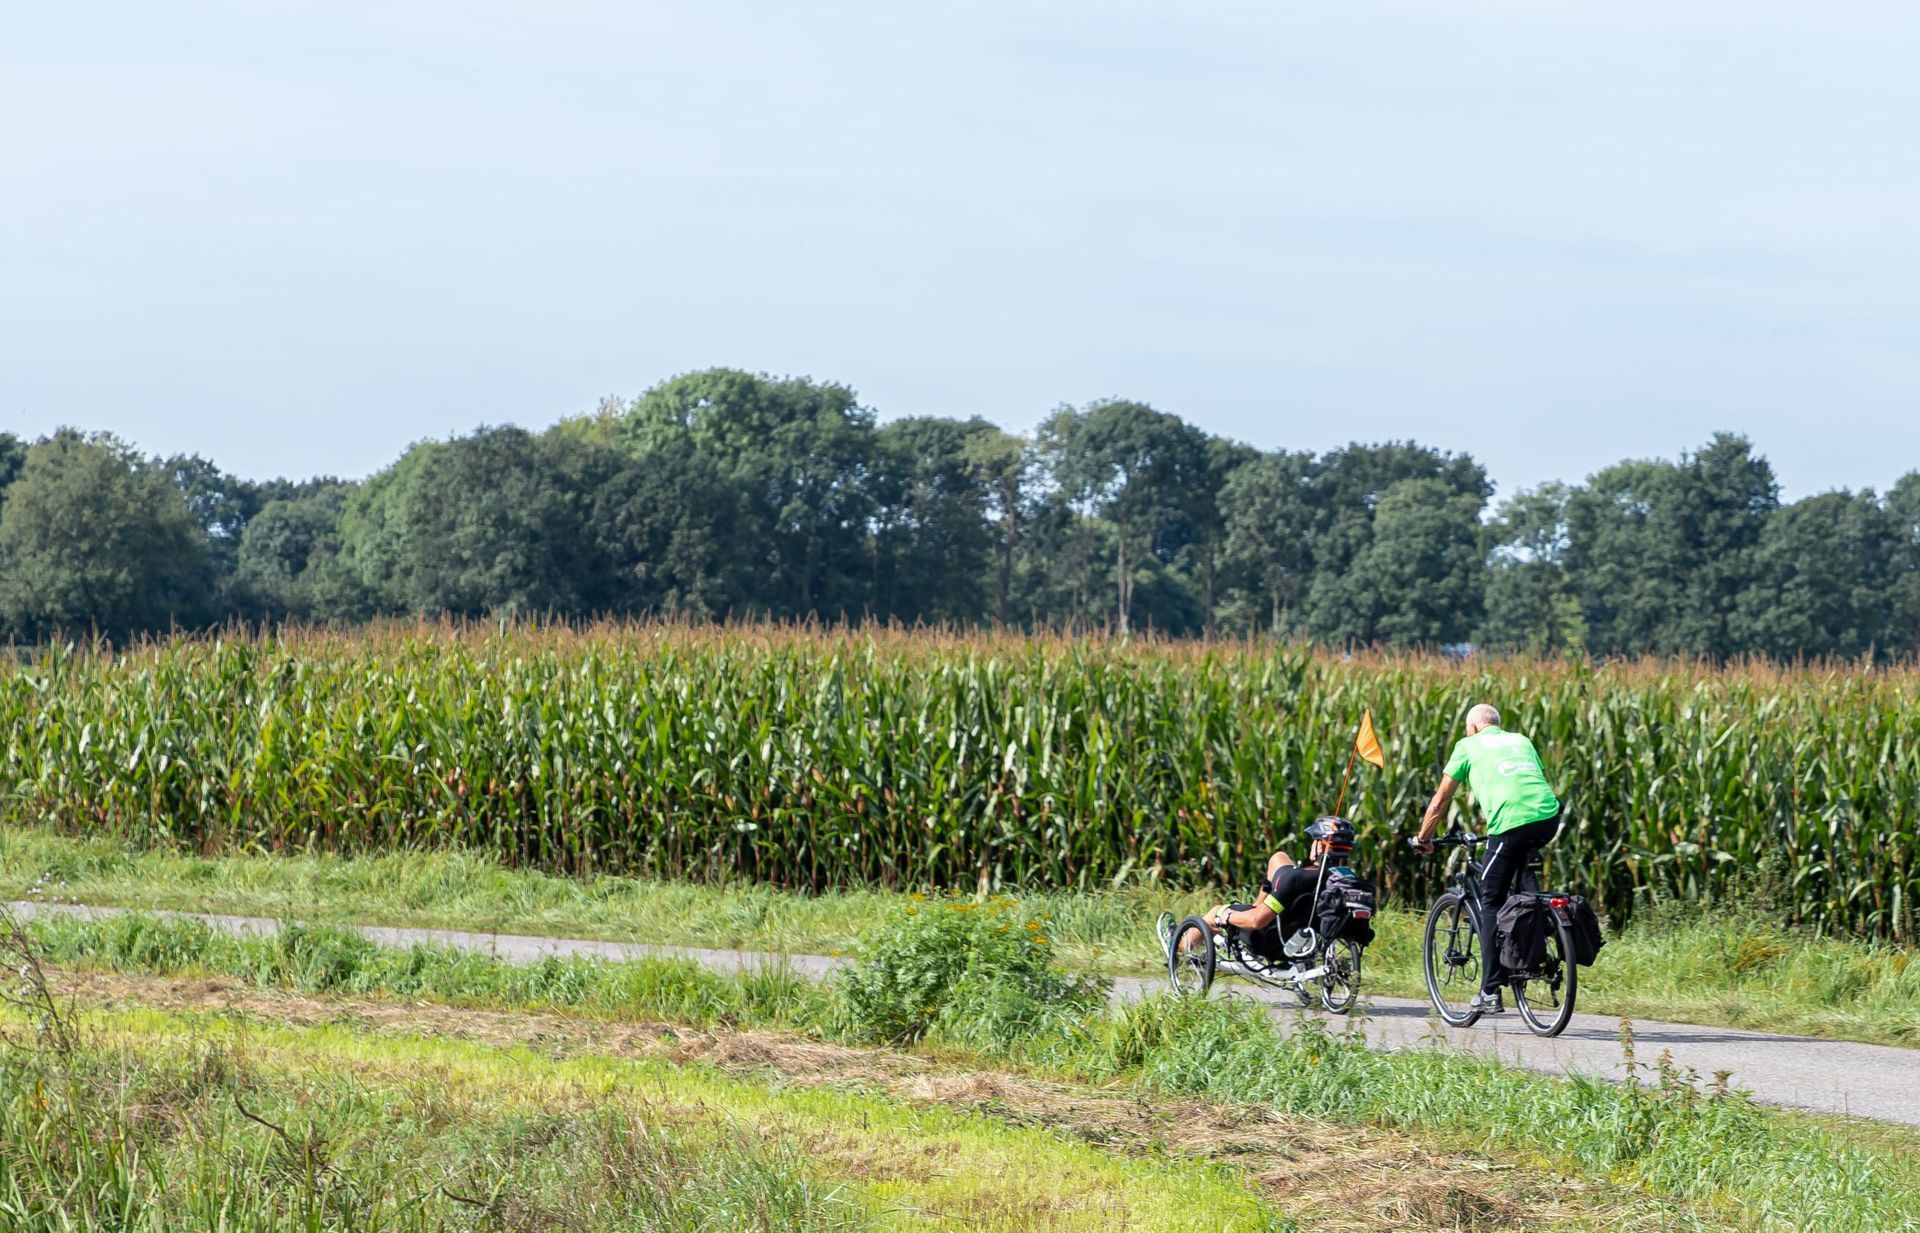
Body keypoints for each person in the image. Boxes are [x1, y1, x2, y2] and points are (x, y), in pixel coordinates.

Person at [1412, 703, 1562, 1015]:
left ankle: (1490, 990)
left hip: (1509, 824)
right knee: (1523, 886)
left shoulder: (1467, 746)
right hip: (1548, 818)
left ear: (1475, 727)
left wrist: (1423, 838)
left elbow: (1440, 802)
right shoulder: (1521, 740)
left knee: (1491, 897)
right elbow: (1526, 785)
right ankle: (1537, 945)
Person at [1202, 817, 1355, 957]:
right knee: (1278, 857)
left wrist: (1226, 916)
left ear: (1320, 847)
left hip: (1267, 940)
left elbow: (1256, 921)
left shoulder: (1296, 879)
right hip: (1305, 943)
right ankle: (1257, 905)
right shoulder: (1347, 880)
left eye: (1314, 840)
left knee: (1215, 912)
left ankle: (1180, 947)